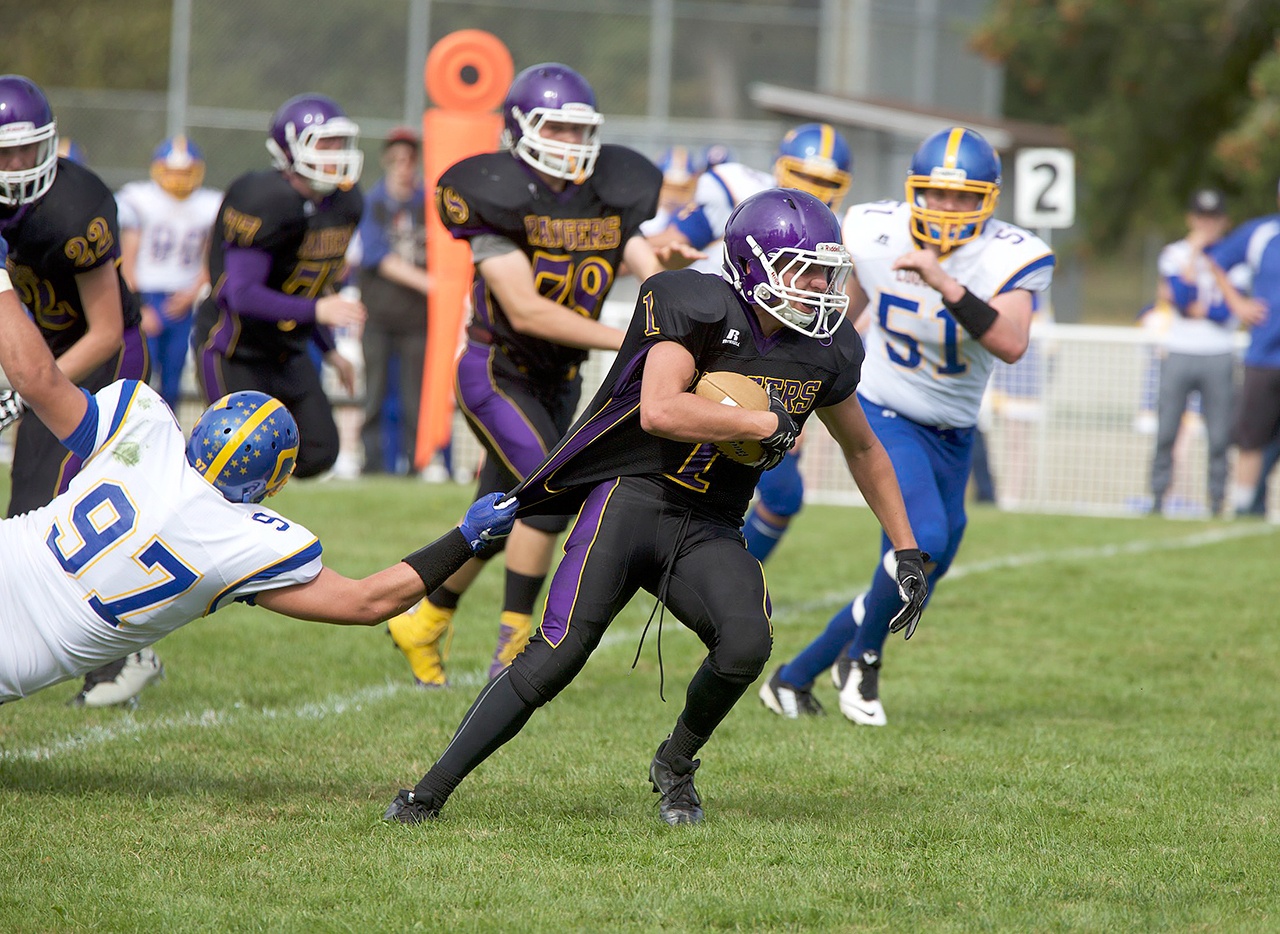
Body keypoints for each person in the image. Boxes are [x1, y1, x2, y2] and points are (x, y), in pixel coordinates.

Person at [383, 188, 926, 827]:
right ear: (755, 267)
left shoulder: (828, 350)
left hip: (711, 524)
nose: (818, 286)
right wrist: (757, 419)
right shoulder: (693, 304)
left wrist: (906, 547)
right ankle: (429, 791)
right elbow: (659, 408)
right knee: (558, 653)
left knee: (746, 644)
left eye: (825, 271)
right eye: (803, 268)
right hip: (632, 498)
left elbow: (863, 448)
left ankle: (675, 764)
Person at [0, 265, 516, 704]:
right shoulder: (243, 541)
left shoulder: (142, 423)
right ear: (269, 484)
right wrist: (466, 536)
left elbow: (38, 378)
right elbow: (367, 603)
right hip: (22, 657)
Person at [761, 127, 1054, 726]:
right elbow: (840, 317)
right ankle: (863, 660)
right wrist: (803, 396)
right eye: (936, 194)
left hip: (954, 431)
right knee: (923, 543)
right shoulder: (872, 230)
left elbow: (1011, 342)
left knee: (919, 571)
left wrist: (945, 282)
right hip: (885, 411)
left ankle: (793, 678)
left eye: (963, 197)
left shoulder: (1010, 253)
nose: (947, 209)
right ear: (912, 191)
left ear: (989, 201)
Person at [385, 63, 665, 688]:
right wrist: (636, 335)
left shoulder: (607, 194)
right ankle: (514, 642)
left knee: (505, 509)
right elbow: (528, 310)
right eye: (557, 128)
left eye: (578, 129)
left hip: (559, 380)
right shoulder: (496, 194)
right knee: (552, 493)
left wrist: (667, 282)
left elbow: (639, 256)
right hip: (496, 369)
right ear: (522, 131)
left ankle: (425, 618)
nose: (571, 142)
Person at [0, 74, 159, 708]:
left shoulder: (78, 207)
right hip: (33, 357)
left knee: (57, 508)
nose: (15, 167)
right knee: (26, 513)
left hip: (97, 362)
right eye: (2, 153)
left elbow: (106, 329)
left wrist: (27, 391)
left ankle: (123, 653)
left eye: (24, 150)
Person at [648, 122, 854, 562]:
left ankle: (728, 565)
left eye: (826, 182)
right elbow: (669, 244)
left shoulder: (835, 232)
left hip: (780, 360)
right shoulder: (741, 195)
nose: (814, 188)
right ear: (781, 168)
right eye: (806, 175)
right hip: (715, 350)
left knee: (781, 495)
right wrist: (665, 257)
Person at [190, 93, 367, 482]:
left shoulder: (346, 203)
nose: (336, 153)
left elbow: (313, 285)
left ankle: (257, 503)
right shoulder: (264, 198)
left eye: (340, 143)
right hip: (234, 347)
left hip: (286, 350)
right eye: (325, 143)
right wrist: (320, 313)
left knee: (320, 450)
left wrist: (331, 350)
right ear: (291, 147)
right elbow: (242, 294)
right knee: (234, 458)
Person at [1149, 188, 1240, 517]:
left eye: (1213, 219)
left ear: (1223, 221)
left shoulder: (1234, 256)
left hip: (1218, 352)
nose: (1207, 225)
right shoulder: (1174, 253)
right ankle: (1159, 496)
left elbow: (1228, 311)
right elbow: (1184, 301)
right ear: (1191, 219)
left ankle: (1217, 500)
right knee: (1167, 430)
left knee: (1219, 435)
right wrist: (1194, 257)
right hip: (1180, 350)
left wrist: (1210, 299)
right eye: (1201, 218)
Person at [116, 135, 222, 412]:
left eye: (186, 172)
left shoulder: (209, 204)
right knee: (139, 377)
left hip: (184, 298)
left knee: (174, 379)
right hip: (147, 294)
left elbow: (212, 258)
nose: (179, 179)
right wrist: (139, 306)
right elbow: (127, 258)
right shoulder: (140, 199)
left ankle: (169, 437)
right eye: (173, 171)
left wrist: (191, 294)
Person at [354, 126, 430, 475]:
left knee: (416, 398)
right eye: (397, 159)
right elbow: (377, 256)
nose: (403, 166)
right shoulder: (375, 202)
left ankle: (416, 464)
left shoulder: (427, 203)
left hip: (418, 319)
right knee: (375, 395)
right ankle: (372, 465)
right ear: (387, 160)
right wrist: (431, 284)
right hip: (380, 315)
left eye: (409, 158)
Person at [1205, 184, 1279, 517]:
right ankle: (1243, 508)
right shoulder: (1261, 233)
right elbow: (1216, 260)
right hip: (1264, 355)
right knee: (1251, 438)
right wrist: (1238, 303)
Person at [639, 145, 701, 237]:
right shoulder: (643, 221)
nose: (673, 196)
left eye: (682, 189)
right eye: (668, 187)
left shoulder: (697, 219)